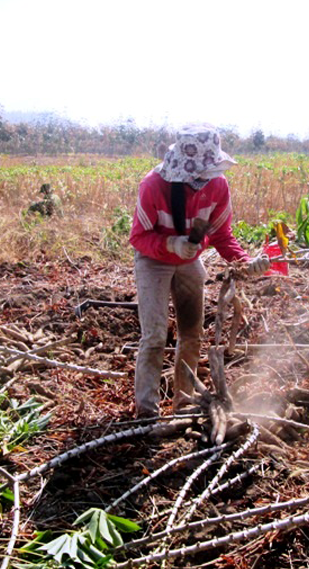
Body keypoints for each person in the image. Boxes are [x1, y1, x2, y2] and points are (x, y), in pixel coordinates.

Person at [129, 124, 271, 419]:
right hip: (153, 260)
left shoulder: (217, 186)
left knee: (192, 334)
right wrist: (170, 243)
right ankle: (146, 411)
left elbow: (222, 234)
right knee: (154, 336)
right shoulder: (153, 185)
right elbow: (139, 237)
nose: (207, 178)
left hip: (189, 259)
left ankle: (184, 402)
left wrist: (246, 262)